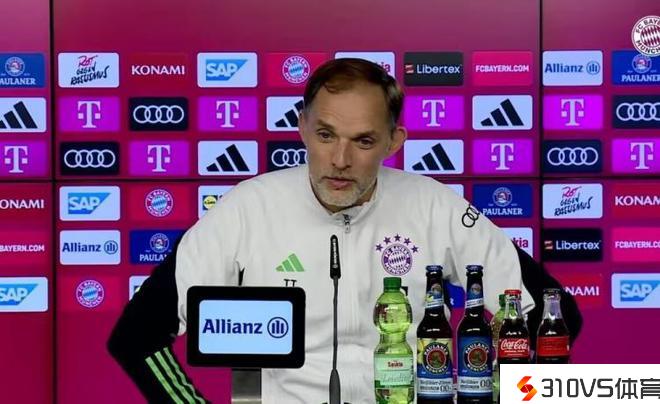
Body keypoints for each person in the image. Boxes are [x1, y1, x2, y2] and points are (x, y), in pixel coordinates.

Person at [108, 58, 582, 403]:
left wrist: (501, 393)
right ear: (301, 127)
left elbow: (555, 314)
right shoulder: (246, 210)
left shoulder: (434, 206)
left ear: (394, 142)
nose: (340, 159)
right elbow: (137, 336)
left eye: (364, 141)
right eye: (325, 135)